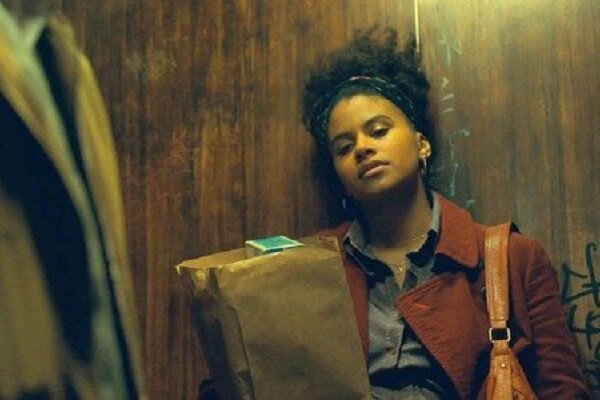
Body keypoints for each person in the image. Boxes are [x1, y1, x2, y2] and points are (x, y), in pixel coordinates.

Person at [301, 27, 589, 399]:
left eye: (379, 130)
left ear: (421, 144)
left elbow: (562, 389)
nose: (362, 148)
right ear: (340, 177)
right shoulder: (314, 265)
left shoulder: (512, 258)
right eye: (344, 147)